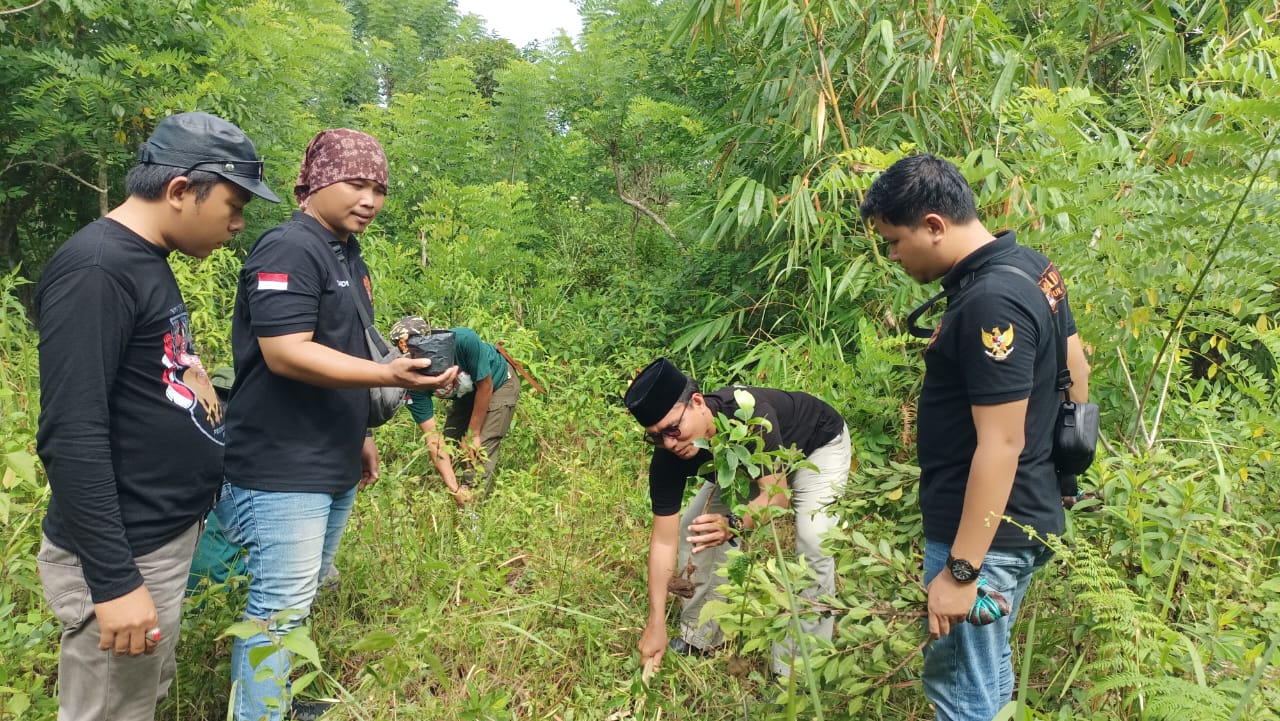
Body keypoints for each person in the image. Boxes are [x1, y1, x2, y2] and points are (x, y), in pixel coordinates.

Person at [34, 111, 279, 721]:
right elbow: (72, 433)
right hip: (125, 552)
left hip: (157, 538)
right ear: (179, 191)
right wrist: (114, 583)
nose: (239, 223)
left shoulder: (144, 259)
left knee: (138, 701)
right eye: (234, 203)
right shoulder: (97, 270)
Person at [214, 129, 458, 721]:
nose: (370, 199)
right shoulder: (287, 249)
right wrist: (392, 379)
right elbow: (286, 352)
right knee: (278, 607)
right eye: (356, 184)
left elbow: (344, 350)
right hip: (280, 465)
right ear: (316, 183)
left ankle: (277, 701)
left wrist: (363, 434)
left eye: (379, 188)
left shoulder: (346, 253)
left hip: (331, 455)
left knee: (301, 598)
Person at [859, 154, 1090, 721]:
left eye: (893, 241)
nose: (892, 256)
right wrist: (1061, 473)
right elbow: (1076, 369)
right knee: (987, 676)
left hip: (983, 536)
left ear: (935, 225)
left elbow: (1001, 444)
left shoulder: (990, 302)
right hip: (1019, 516)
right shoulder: (1032, 265)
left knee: (963, 693)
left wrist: (961, 572)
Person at [623, 358, 850, 678]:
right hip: (747, 467)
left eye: (673, 429)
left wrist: (732, 523)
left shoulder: (750, 414)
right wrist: (655, 621)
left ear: (697, 402)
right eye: (657, 437)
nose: (670, 443)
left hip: (815, 448)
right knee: (695, 528)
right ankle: (700, 636)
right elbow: (664, 539)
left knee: (814, 540)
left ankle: (796, 668)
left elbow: (777, 498)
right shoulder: (668, 455)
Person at [388, 316, 521, 504]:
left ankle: (472, 510)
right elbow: (433, 439)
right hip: (465, 396)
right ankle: (456, 496)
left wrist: (473, 433)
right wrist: (454, 488)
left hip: (499, 384)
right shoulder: (411, 382)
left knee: (478, 448)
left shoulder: (464, 341)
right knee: (451, 446)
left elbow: (486, 386)